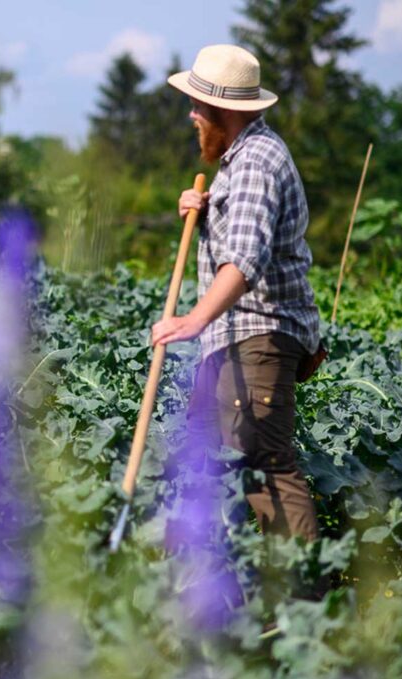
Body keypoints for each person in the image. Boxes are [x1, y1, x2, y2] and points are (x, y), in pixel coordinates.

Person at [150, 45, 320, 542]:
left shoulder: (254, 163)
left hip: (255, 333)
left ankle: (303, 603)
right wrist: (206, 214)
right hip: (236, 337)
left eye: (199, 106)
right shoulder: (241, 160)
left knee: (266, 469)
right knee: (207, 460)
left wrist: (193, 320)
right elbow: (243, 234)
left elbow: (244, 260)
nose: (192, 114)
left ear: (223, 111)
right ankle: (214, 588)